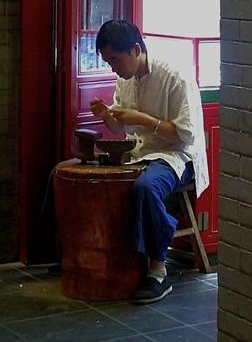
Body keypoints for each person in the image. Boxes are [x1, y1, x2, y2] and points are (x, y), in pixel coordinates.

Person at [87, 20, 208, 304]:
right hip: (141, 153)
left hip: (177, 155)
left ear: (135, 49)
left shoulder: (175, 76)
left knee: (145, 187)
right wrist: (106, 115)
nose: (113, 68)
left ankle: (157, 271)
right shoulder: (125, 78)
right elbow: (120, 127)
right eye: (108, 62)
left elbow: (184, 134)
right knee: (88, 177)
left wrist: (143, 119)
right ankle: (89, 255)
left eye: (115, 60)